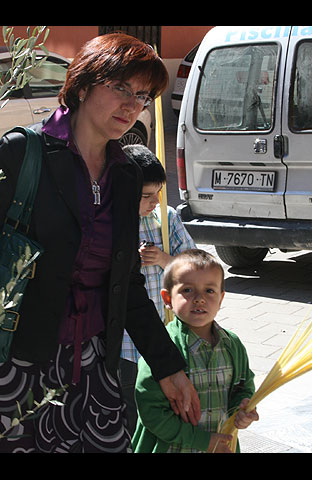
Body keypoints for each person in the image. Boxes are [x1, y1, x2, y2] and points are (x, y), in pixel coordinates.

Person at [0, 32, 200, 453]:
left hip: (91, 372)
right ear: (81, 85)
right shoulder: (25, 151)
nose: (132, 105)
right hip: (8, 366)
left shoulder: (127, 176)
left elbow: (127, 285)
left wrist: (169, 366)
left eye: (143, 95)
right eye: (120, 89)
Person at [132, 249, 259, 453]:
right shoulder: (160, 351)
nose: (199, 298)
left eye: (209, 290)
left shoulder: (232, 345)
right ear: (167, 298)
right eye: (188, 290)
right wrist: (204, 441)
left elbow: (243, 387)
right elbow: (152, 413)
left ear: (221, 298)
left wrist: (243, 409)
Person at [119, 144, 195, 435]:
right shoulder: (111, 224)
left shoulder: (167, 218)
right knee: (129, 410)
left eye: (159, 193)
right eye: (146, 196)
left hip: (163, 336)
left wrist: (164, 259)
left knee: (161, 413)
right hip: (125, 345)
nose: (155, 201)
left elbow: (195, 268)